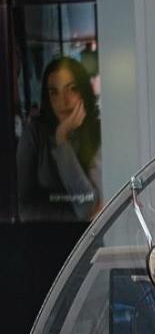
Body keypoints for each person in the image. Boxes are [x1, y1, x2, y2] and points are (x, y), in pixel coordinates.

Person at [17, 55, 102, 220]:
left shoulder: (97, 130)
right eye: (54, 93)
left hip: (94, 239)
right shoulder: (34, 133)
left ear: (83, 91)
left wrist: (62, 139)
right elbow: (22, 206)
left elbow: (89, 204)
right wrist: (75, 217)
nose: (63, 101)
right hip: (44, 236)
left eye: (72, 89)